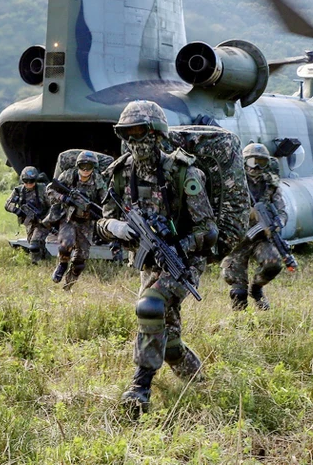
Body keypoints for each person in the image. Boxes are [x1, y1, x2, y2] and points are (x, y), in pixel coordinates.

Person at [97, 100, 219, 414]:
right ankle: (198, 381)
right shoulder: (120, 174)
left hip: (183, 262)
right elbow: (102, 220)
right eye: (129, 134)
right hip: (148, 262)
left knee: (150, 308)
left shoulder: (182, 172)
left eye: (141, 133)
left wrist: (180, 247)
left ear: (157, 135)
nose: (135, 141)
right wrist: (115, 227)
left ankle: (139, 389)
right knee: (166, 336)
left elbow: (209, 229)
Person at [221, 143, 289, 311]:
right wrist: (246, 213)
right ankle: (240, 322)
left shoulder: (271, 186)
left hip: (260, 238)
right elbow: (222, 208)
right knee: (238, 291)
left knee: (273, 264)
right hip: (237, 240)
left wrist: (276, 226)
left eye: (262, 162)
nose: (257, 167)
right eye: (252, 162)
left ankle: (256, 289)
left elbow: (282, 212)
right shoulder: (233, 183)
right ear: (244, 163)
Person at [46, 151, 106, 290]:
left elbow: (105, 199)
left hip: (86, 222)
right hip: (69, 217)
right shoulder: (69, 175)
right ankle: (62, 264)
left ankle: (68, 285)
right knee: (66, 243)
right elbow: (50, 189)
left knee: (81, 259)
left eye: (89, 167)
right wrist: (64, 198)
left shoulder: (98, 180)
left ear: (93, 167)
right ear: (78, 166)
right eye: (82, 166)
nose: (85, 170)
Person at [4, 166, 51, 263]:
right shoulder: (18, 191)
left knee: (34, 243)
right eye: (26, 181)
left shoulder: (42, 189)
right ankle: (47, 259)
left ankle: (35, 264)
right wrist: (17, 211)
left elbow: (52, 205)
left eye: (32, 181)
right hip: (28, 222)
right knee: (36, 244)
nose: (29, 184)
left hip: (42, 221)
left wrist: (47, 219)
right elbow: (7, 204)